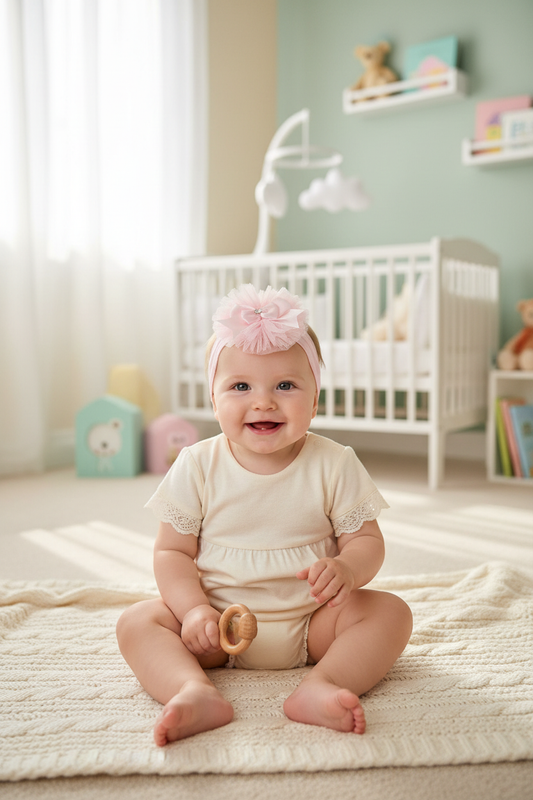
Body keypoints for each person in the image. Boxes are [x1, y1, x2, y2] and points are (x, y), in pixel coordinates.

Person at [116, 284, 413, 747]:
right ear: (214, 400)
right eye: (240, 387)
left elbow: (367, 543)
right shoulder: (197, 464)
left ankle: (323, 684)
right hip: (216, 624)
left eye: (286, 386)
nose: (263, 402)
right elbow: (172, 552)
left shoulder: (335, 463)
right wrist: (193, 612)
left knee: (391, 613)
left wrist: (347, 569)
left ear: (315, 400)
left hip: (316, 623)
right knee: (137, 623)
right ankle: (192, 689)